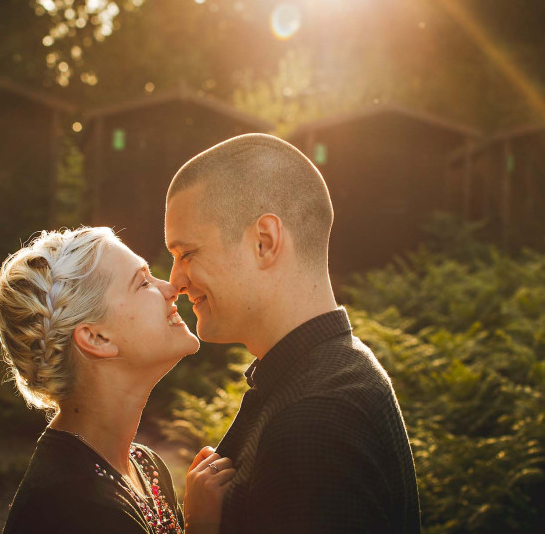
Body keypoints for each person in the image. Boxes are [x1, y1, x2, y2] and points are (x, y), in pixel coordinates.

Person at [164, 133, 421, 533]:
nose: (175, 280)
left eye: (187, 253)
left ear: (264, 242)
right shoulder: (330, 372)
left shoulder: (316, 418)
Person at [0, 227, 236, 534]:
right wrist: (201, 527)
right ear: (96, 338)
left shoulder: (145, 465)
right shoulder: (68, 507)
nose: (171, 288)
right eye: (143, 283)